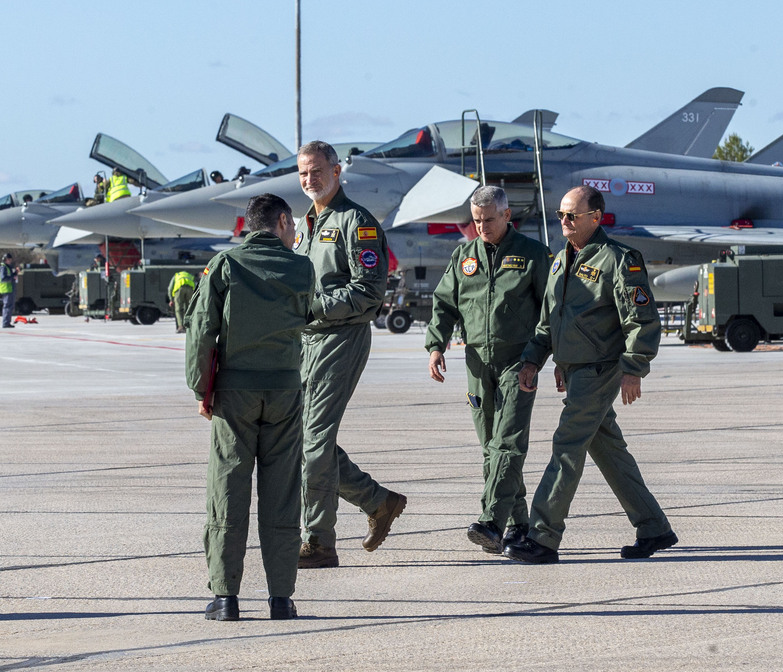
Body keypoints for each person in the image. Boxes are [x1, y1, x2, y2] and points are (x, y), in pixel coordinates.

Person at [506, 185, 677, 564]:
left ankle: (542, 537)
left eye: (572, 215)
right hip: (576, 370)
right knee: (608, 450)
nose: (564, 221)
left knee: (566, 447)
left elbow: (642, 320)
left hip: (601, 370)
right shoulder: (559, 262)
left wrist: (634, 369)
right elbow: (549, 322)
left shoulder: (619, 260)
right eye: (561, 215)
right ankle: (654, 527)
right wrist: (535, 360)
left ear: (595, 217)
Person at [185, 193, 314, 622]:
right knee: (281, 495)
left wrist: (203, 389)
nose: (295, 232)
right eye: (292, 226)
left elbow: (202, 327)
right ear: (280, 222)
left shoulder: (227, 264)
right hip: (283, 392)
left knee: (228, 490)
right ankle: (281, 598)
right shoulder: (302, 266)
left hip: (234, 395)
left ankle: (226, 598)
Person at [294, 140, 406, 569]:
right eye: (304, 173)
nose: (310, 180)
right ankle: (378, 502)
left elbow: (369, 289)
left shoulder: (355, 222)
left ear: (337, 171)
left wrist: (314, 307)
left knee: (316, 442)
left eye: (317, 171)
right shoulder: (303, 226)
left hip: (341, 338)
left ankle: (319, 541)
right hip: (306, 342)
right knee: (302, 441)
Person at [425, 185, 552, 554]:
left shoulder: (532, 255)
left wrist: (543, 358)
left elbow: (552, 311)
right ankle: (519, 524)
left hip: (520, 361)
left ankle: (491, 523)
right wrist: (436, 345)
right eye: (476, 220)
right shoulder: (464, 256)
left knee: (508, 443)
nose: (481, 227)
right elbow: (444, 304)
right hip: (478, 363)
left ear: (507, 216)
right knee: (490, 447)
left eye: (488, 220)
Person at [169, 269, 197, 334]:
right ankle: (188, 326)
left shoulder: (176, 275)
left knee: (178, 310)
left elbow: (170, 288)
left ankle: (180, 327)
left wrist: (171, 299)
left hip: (180, 289)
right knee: (189, 309)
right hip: (190, 289)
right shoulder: (189, 276)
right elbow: (195, 286)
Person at [1, 252, 18, 329]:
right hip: (7, 289)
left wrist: (15, 273)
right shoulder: (3, 267)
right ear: (5, 260)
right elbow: (3, 278)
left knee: (9, 306)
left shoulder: (8, 267)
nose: (10, 261)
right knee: (7, 306)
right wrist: (12, 278)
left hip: (9, 289)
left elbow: (10, 276)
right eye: (9, 259)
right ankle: (5, 323)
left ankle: (7, 322)